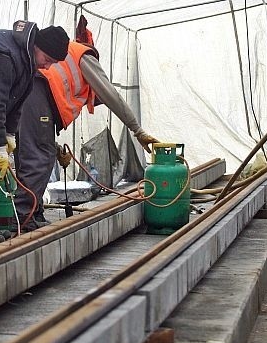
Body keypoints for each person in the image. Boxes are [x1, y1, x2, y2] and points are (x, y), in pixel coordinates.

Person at [14, 39, 160, 230]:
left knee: (34, 152)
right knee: (38, 156)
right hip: (37, 89)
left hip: (31, 91)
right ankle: (25, 216)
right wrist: (137, 130)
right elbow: (111, 96)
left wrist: (54, 146)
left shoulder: (71, 59)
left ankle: (34, 212)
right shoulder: (86, 58)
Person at [0, 21, 70, 247]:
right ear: (39, 46)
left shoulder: (27, 59)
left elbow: (16, 103)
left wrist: (9, 134)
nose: (47, 67)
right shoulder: (6, 56)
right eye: (48, 60)